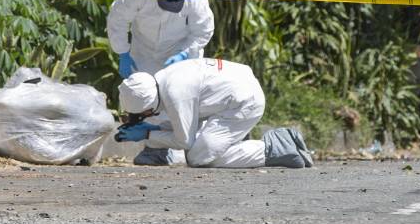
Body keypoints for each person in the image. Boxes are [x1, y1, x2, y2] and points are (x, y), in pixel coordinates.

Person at [107, 0, 215, 165]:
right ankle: (155, 149)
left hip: (181, 49)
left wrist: (185, 53)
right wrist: (122, 52)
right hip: (143, 49)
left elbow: (203, 30)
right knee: (146, 97)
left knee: (179, 96)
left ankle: (181, 144)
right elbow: (117, 19)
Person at [114, 58, 313, 169]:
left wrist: (148, 133)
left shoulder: (176, 95)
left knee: (199, 157)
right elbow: (181, 122)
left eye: (143, 114)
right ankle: (242, 144)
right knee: (206, 148)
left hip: (244, 104)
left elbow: (184, 141)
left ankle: (275, 147)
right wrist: (154, 128)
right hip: (234, 95)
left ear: (148, 106)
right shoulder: (163, 80)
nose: (145, 116)